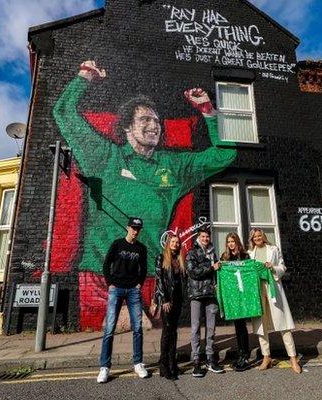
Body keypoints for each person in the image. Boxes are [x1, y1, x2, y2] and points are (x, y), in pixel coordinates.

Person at [53, 60, 237, 326]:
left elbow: (225, 154)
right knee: (110, 339)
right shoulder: (104, 156)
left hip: (151, 275)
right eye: (145, 119)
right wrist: (84, 77)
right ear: (127, 127)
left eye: (157, 121)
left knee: (146, 340)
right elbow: (63, 112)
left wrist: (208, 111)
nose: (154, 125)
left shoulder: (173, 166)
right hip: (100, 274)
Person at [97, 217, 149, 383]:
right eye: (133, 228)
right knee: (110, 329)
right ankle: (105, 367)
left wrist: (139, 284)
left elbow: (144, 269)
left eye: (138, 229)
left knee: (138, 329)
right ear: (127, 228)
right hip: (116, 289)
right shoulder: (117, 244)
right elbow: (106, 264)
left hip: (133, 290)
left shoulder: (141, 248)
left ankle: (138, 363)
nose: (135, 231)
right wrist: (110, 283)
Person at [247, 228, 301, 373]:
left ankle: (293, 358)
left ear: (263, 236)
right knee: (261, 325)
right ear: (252, 239)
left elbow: (283, 267)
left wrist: (273, 267)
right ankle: (266, 357)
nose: (257, 238)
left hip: (273, 287)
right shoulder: (249, 254)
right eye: (255, 237)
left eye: (259, 236)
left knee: (283, 324)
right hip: (258, 290)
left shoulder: (274, 249)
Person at [186, 227, 224, 377]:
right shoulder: (192, 252)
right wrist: (211, 267)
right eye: (203, 236)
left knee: (211, 327)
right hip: (196, 294)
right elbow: (192, 272)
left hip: (211, 294)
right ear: (198, 238)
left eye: (207, 237)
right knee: (195, 327)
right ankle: (196, 360)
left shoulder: (213, 252)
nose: (205, 239)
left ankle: (210, 358)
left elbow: (216, 273)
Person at [154, 234, 186, 380]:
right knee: (167, 332)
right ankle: (164, 366)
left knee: (173, 331)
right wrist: (164, 300)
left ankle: (173, 364)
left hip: (178, 299)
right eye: (173, 242)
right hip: (167, 301)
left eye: (177, 242)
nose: (175, 244)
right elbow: (159, 279)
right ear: (168, 243)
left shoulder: (179, 259)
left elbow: (180, 281)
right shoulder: (161, 258)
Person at [219, 232, 251, 372]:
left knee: (242, 326)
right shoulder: (224, 257)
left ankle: (245, 355)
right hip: (232, 296)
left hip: (243, 295)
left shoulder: (245, 256)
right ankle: (241, 354)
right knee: (238, 326)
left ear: (237, 242)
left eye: (233, 241)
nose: (231, 244)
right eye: (229, 242)